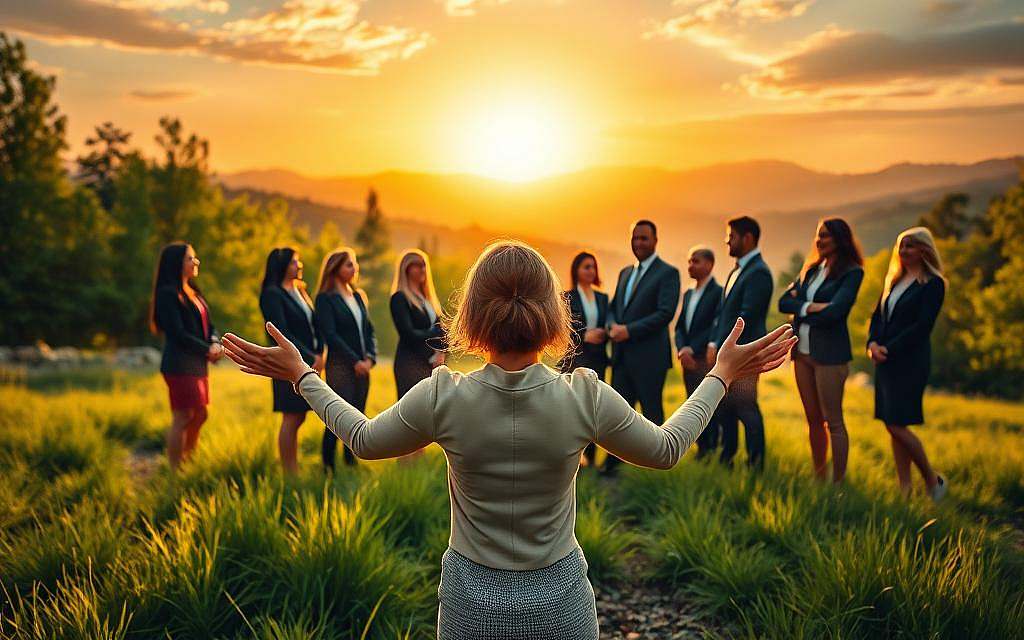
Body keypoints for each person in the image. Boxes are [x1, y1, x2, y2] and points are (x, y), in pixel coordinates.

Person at [220, 239, 796, 639]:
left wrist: (302, 375)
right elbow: (668, 449)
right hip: (562, 608)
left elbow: (364, 440)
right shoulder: (583, 395)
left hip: (471, 609)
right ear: (552, 314)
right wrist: (721, 374)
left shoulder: (444, 395)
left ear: (472, 313)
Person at [778, 219, 864, 483]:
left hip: (830, 356)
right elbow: (784, 302)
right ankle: (819, 477)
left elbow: (837, 312)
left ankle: (838, 483)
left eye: (825, 236)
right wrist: (813, 307)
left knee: (833, 421)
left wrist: (801, 308)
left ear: (839, 239)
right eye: (817, 236)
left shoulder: (852, 272)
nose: (819, 241)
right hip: (801, 355)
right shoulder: (810, 269)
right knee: (813, 420)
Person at [868, 227, 948, 500]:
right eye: (901, 246)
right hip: (884, 360)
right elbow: (877, 317)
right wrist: (872, 344)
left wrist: (887, 348)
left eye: (910, 247)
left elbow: (922, 326)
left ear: (924, 250)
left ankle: (932, 480)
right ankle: (905, 490)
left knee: (896, 424)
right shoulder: (895, 279)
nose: (903, 252)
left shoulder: (933, 283)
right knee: (892, 422)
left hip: (909, 362)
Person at [606, 220, 681, 475]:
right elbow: (614, 307)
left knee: (651, 414)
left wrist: (628, 331)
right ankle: (614, 464)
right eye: (635, 238)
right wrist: (610, 326)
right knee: (617, 414)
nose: (638, 243)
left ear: (655, 240)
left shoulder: (668, 273)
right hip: (621, 359)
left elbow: (665, 313)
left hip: (650, 359)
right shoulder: (625, 272)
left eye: (644, 239)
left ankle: (655, 467)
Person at [707, 215, 773, 470]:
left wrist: (727, 349)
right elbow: (724, 314)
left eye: (731, 236)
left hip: (744, 354)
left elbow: (746, 316)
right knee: (726, 407)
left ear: (748, 238)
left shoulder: (759, 273)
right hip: (728, 353)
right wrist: (715, 343)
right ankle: (728, 457)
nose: (727, 241)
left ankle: (756, 464)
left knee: (746, 408)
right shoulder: (737, 270)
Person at [149, 242, 222, 470]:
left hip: (198, 364)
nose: (196, 262)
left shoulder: (194, 291)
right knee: (183, 416)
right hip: (179, 364)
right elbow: (177, 333)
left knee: (200, 414)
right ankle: (174, 470)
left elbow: (209, 326)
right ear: (177, 263)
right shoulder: (167, 294)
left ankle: (188, 460)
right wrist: (206, 349)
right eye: (191, 258)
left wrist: (214, 342)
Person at [260, 247, 324, 474]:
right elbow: (282, 331)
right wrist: (310, 356)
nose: (300, 265)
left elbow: (314, 326)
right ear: (283, 265)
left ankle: (292, 468)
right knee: (291, 416)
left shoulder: (300, 291)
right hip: (287, 362)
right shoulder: (272, 294)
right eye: (295, 262)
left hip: (308, 361)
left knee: (299, 417)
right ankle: (290, 472)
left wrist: (320, 353)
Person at [313, 247, 377, 471]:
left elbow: (369, 331)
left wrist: (370, 358)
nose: (355, 268)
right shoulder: (325, 299)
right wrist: (354, 361)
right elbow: (331, 335)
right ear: (335, 268)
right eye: (349, 264)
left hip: (363, 366)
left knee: (358, 414)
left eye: (355, 263)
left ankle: (350, 461)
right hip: (341, 366)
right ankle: (327, 466)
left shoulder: (358, 296)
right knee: (337, 417)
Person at [390, 249, 445, 463]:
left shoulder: (427, 298)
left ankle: (417, 463)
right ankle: (404, 463)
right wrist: (435, 334)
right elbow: (408, 334)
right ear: (406, 269)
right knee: (407, 415)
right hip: (408, 364)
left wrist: (441, 352)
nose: (422, 269)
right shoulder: (399, 298)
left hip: (429, 364)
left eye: (424, 264)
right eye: (417, 264)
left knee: (423, 415)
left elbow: (444, 331)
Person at [560, 251, 610, 468]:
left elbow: (609, 324)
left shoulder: (603, 298)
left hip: (598, 359)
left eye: (593, 267)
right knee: (573, 409)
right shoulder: (566, 297)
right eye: (586, 267)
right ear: (576, 270)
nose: (591, 271)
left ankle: (590, 457)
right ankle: (572, 457)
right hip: (576, 359)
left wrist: (605, 333)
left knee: (594, 409)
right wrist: (584, 336)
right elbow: (562, 330)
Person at [674, 246, 723, 460]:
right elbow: (679, 327)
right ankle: (701, 449)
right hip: (687, 359)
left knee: (708, 404)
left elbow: (715, 326)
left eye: (696, 261)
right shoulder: (688, 293)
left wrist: (692, 348)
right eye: (689, 261)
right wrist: (682, 349)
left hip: (705, 358)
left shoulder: (719, 292)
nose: (690, 265)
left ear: (709, 264)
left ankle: (712, 447)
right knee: (691, 403)